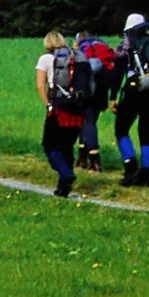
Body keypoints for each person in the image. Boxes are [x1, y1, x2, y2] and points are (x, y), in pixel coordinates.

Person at [111, 12, 149, 187]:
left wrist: (113, 97)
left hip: (134, 89)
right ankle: (146, 172)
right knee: (146, 132)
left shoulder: (128, 45)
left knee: (121, 129)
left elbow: (117, 73)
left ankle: (130, 168)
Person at [36, 29, 84, 197]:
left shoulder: (46, 59)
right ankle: (63, 187)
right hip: (78, 108)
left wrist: (47, 104)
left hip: (58, 108)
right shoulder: (77, 56)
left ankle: (65, 174)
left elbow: (40, 84)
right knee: (67, 146)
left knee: (49, 145)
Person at [74, 30, 117, 172]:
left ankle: (94, 161)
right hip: (101, 92)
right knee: (87, 122)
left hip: (86, 92)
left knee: (87, 122)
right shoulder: (102, 49)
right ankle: (81, 159)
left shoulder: (81, 50)